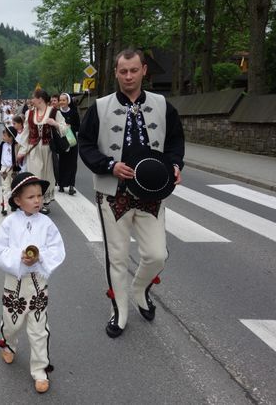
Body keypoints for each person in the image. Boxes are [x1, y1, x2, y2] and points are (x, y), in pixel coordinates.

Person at [78, 48, 185, 338]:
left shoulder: (163, 105)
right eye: (123, 71)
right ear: (115, 72)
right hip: (114, 194)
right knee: (118, 257)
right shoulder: (100, 107)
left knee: (156, 254)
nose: (128, 76)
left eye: (134, 70)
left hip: (152, 193)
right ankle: (119, 311)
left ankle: (139, 289)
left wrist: (175, 164)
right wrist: (108, 165)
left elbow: (175, 139)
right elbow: (85, 144)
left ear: (144, 71)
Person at [0, 172, 65, 394]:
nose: (37, 200)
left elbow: (57, 249)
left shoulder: (47, 223)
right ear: (17, 200)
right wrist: (19, 257)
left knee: (38, 328)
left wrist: (40, 256)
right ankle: (9, 343)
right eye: (31, 196)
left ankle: (40, 369)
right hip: (14, 282)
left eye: (39, 196)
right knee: (12, 322)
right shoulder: (8, 223)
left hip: (37, 282)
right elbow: (0, 252)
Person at [17, 89, 69, 215]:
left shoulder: (54, 112)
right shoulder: (29, 113)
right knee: (35, 177)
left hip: (48, 150)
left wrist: (55, 123)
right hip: (33, 149)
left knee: (47, 176)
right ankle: (35, 201)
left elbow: (65, 129)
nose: (31, 100)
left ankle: (44, 202)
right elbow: (25, 134)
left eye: (33, 97)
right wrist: (21, 151)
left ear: (40, 99)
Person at [0, 126, 21, 215]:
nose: (2, 137)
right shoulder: (2, 145)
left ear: (11, 137)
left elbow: (21, 157)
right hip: (4, 169)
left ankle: (14, 204)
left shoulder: (17, 145)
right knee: (5, 187)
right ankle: (5, 206)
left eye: (5, 136)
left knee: (14, 187)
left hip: (14, 169)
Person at [57, 93, 81, 195]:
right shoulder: (57, 113)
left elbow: (78, 126)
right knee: (62, 162)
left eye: (64, 100)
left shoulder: (74, 112)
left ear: (68, 101)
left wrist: (70, 127)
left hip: (72, 140)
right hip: (62, 141)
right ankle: (61, 184)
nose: (62, 102)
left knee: (72, 163)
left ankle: (71, 185)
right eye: (60, 100)